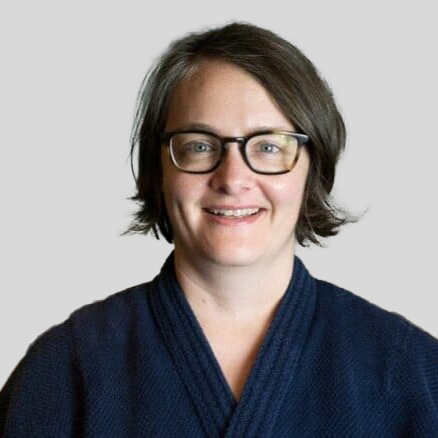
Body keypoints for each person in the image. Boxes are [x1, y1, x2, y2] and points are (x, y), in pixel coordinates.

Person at [1, 18, 437, 437]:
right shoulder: (63, 369)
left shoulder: (415, 371)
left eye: (269, 147)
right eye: (199, 146)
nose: (232, 179)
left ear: (313, 168)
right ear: (157, 169)